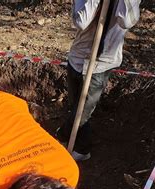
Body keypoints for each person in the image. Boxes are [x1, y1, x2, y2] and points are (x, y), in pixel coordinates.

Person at [57, 0, 141, 161]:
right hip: (78, 57)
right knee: (76, 107)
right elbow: (81, 21)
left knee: (83, 111)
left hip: (101, 64)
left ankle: (72, 142)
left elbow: (127, 21)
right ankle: (79, 145)